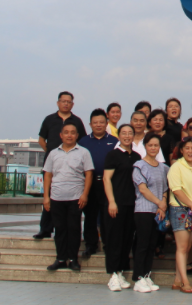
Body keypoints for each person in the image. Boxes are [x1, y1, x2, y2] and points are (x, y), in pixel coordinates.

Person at [35, 91, 88, 240]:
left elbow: (83, 141)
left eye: (68, 102)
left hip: (72, 168)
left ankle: (67, 231)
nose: (66, 104)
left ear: (72, 104)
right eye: (63, 101)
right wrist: (53, 154)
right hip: (53, 166)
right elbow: (41, 140)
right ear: (58, 103)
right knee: (50, 197)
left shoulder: (77, 121)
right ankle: (45, 229)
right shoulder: (49, 119)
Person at [42, 123, 94, 272]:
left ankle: (73, 259)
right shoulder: (53, 153)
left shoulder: (83, 152)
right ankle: (60, 259)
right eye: (66, 132)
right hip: (56, 197)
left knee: (74, 229)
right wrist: (46, 197)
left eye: (72, 132)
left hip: (76, 198)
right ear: (61, 135)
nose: (69, 135)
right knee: (59, 229)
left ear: (77, 136)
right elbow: (48, 175)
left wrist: (85, 194)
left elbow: (89, 174)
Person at [78, 108, 119, 258]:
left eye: (101, 122)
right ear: (90, 124)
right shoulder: (83, 142)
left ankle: (108, 245)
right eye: (95, 122)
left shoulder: (115, 141)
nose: (98, 125)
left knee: (107, 216)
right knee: (90, 215)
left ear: (106, 123)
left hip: (108, 184)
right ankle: (90, 245)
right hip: (90, 184)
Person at [104, 124, 141, 291]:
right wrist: (112, 201)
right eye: (124, 133)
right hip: (116, 204)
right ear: (118, 136)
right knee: (114, 239)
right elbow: (107, 179)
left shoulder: (137, 156)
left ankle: (120, 272)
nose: (127, 136)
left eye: (130, 133)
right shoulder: (113, 155)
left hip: (132, 204)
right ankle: (112, 274)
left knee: (127, 239)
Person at [132, 134, 169, 293]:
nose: (153, 148)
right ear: (145, 146)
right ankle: (138, 277)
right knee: (142, 244)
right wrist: (159, 203)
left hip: (158, 212)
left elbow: (165, 189)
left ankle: (146, 275)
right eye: (150, 145)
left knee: (152, 245)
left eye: (156, 145)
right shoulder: (139, 166)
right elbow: (143, 189)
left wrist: (162, 205)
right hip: (143, 210)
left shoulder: (163, 168)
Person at [168, 137, 192, 293]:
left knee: (188, 247)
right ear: (182, 150)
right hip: (181, 210)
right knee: (182, 247)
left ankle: (177, 280)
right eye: (187, 148)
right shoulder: (176, 167)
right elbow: (176, 189)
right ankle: (185, 281)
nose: (190, 151)